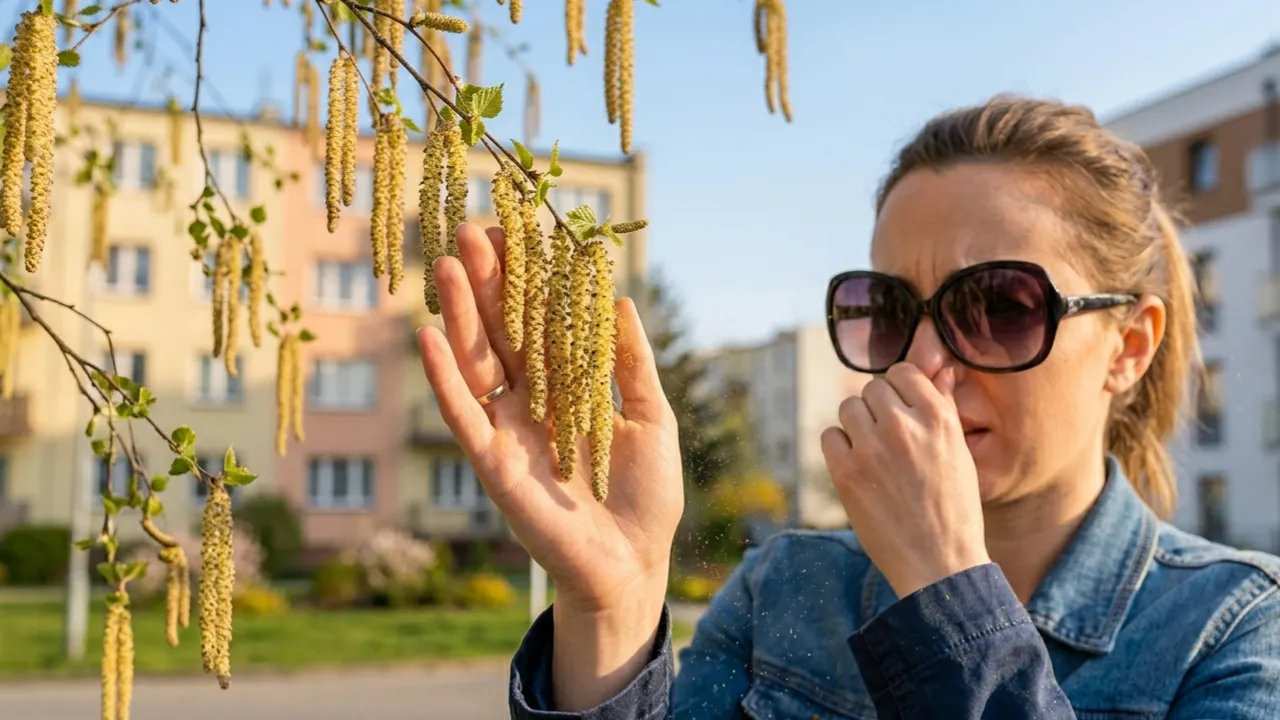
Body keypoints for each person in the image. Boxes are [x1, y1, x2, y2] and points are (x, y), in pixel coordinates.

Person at [414, 95, 1280, 719]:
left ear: (1129, 346)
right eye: (890, 311)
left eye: (999, 307)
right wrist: (612, 606)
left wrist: (949, 597)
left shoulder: (1233, 633)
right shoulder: (786, 587)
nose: (926, 363)